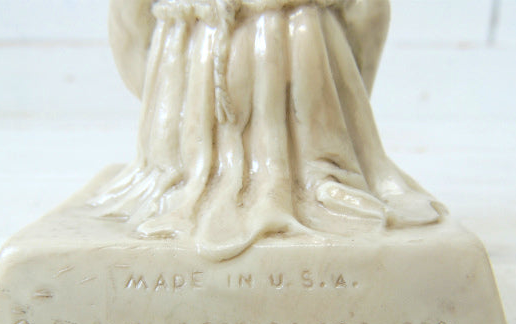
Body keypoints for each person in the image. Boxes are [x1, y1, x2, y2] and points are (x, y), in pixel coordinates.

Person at [90, 0, 445, 260]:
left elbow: (129, 27)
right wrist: (346, 105)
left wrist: (164, 101)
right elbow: (367, 16)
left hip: (197, 61)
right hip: (301, 56)